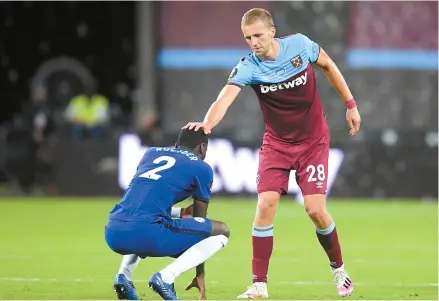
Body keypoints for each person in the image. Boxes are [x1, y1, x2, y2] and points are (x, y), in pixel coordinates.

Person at [183, 8, 361, 298]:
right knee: (265, 205)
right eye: (247, 37)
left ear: (272, 31)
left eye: (258, 35)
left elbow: (328, 65)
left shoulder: (300, 45)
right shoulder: (248, 67)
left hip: (313, 141)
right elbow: (224, 98)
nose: (253, 42)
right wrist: (207, 124)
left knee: (315, 210)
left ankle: (340, 271)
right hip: (276, 145)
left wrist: (350, 104)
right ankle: (259, 284)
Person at [105, 128, 230, 300]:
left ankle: (123, 276)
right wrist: (200, 273)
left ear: (178, 144)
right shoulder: (202, 168)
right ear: (202, 147)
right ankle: (166, 277)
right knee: (222, 231)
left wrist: (179, 213)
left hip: (112, 230)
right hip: (145, 234)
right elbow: (201, 224)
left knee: (143, 218)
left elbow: (142, 201)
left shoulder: (150, 153)